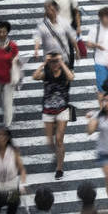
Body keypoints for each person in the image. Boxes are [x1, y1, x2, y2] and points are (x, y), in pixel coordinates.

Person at [32, 52, 74, 180]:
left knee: (59, 139)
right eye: (52, 62)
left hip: (62, 109)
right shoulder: (46, 74)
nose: (54, 64)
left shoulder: (64, 73)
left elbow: (71, 77)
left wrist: (61, 62)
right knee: (50, 141)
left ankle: (59, 168)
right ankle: (57, 153)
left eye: (56, 62)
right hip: (48, 110)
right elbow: (34, 76)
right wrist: (44, 63)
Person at [86, 7, 108, 101]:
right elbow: (88, 44)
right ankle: (102, 111)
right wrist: (96, 45)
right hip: (101, 63)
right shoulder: (95, 29)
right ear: (101, 18)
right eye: (106, 17)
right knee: (102, 89)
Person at [33, 0, 79, 69]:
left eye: (52, 10)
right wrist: (36, 50)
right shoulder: (42, 25)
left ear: (56, 10)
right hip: (49, 61)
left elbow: (72, 37)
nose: (49, 12)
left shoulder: (64, 23)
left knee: (64, 79)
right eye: (47, 10)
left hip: (63, 59)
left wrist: (77, 51)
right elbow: (37, 38)